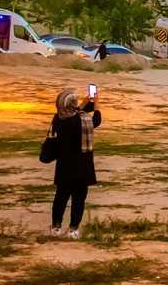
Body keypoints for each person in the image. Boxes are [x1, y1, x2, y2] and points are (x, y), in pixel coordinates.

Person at [47, 87, 102, 239]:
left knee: (60, 198)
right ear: (73, 104)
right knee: (79, 199)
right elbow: (96, 120)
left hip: (64, 166)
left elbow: (73, 113)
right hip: (82, 167)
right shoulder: (84, 120)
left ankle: (56, 228)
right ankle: (73, 230)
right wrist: (96, 104)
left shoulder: (58, 119)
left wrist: (84, 103)